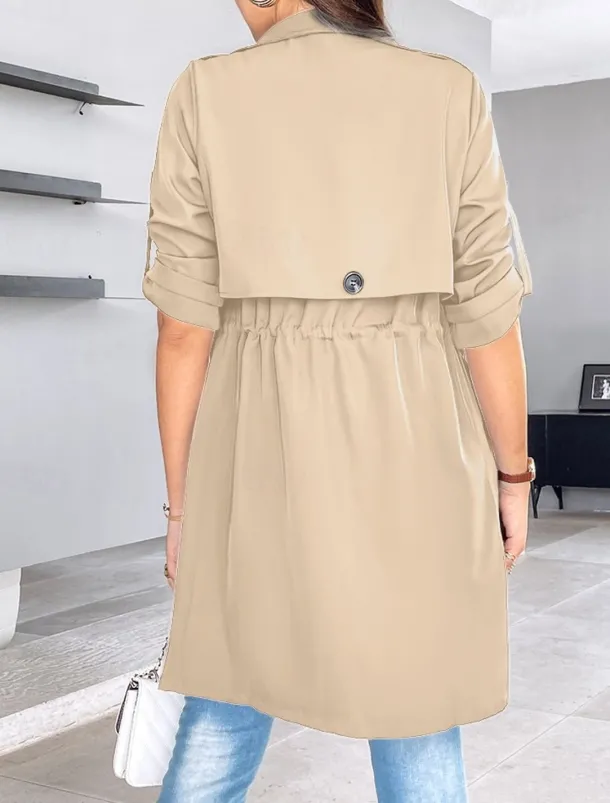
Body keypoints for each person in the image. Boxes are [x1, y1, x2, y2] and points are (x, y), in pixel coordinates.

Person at [143, 1, 533, 800]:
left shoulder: (203, 92)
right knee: (418, 699)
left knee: (227, 685)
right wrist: (513, 475)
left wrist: (183, 508)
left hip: (254, 438)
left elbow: (182, 330)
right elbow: (489, 320)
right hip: (417, 434)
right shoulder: (449, 90)